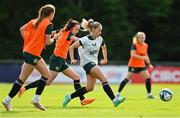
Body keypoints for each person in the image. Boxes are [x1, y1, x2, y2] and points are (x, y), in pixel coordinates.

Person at [18, 19, 95, 106]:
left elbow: (50, 33)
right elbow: (78, 40)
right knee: (47, 82)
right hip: (57, 60)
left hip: (61, 60)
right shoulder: (69, 34)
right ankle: (25, 88)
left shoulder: (61, 31)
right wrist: (90, 38)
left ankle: (82, 100)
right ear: (71, 28)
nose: (77, 31)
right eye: (76, 29)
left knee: (76, 77)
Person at [2, 4, 56, 111]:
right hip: (33, 53)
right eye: (54, 13)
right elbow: (47, 41)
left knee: (46, 75)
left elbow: (22, 29)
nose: (54, 15)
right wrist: (55, 38)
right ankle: (7, 100)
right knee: (22, 79)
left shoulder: (34, 21)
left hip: (29, 51)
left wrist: (28, 41)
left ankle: (36, 99)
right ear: (50, 13)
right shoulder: (48, 24)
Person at [63, 19, 126, 107]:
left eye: (101, 30)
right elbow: (71, 47)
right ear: (93, 29)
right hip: (87, 64)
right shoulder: (84, 40)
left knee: (89, 88)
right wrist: (72, 59)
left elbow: (104, 47)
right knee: (104, 79)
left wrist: (105, 59)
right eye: (99, 30)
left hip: (93, 63)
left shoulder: (100, 39)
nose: (100, 32)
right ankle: (114, 100)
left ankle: (69, 97)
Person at [116, 32, 155, 99]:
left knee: (148, 78)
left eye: (143, 37)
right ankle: (118, 93)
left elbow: (146, 55)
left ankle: (149, 94)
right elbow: (132, 55)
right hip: (133, 65)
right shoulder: (134, 45)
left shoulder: (145, 45)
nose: (142, 39)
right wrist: (143, 58)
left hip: (141, 65)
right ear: (137, 38)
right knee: (127, 79)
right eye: (141, 38)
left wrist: (149, 64)